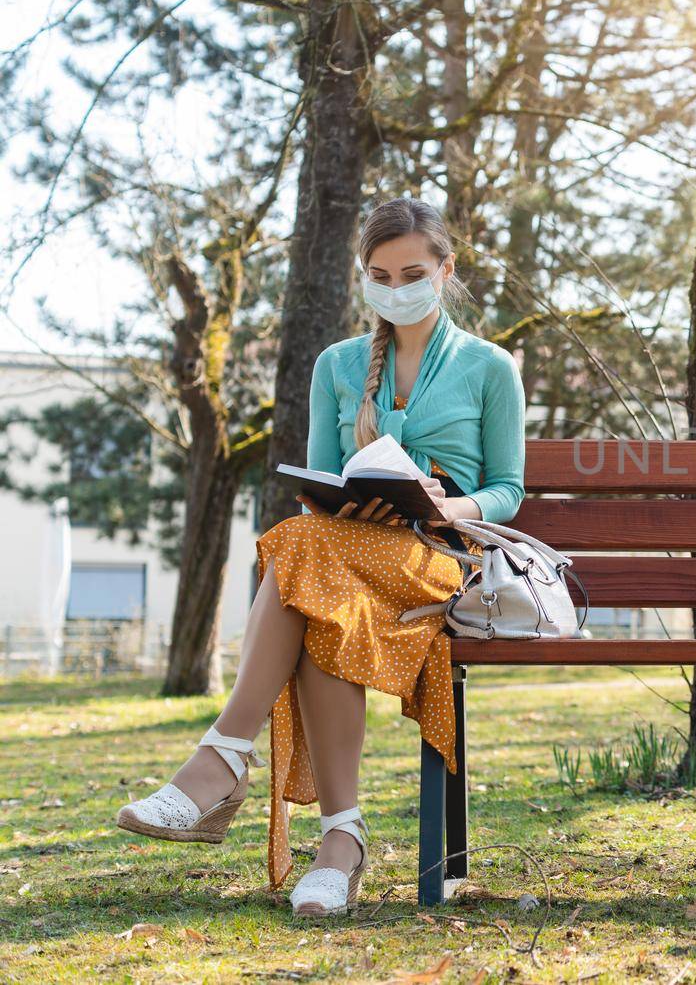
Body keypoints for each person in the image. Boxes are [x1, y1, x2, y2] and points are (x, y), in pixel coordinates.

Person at [116, 197, 528, 917]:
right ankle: (339, 841)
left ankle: (224, 763)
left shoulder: (489, 367)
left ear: (445, 269)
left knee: (301, 560)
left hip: (436, 558)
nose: (396, 285)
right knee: (313, 575)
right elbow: (319, 487)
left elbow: (509, 490)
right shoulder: (337, 364)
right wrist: (349, 502)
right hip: (345, 553)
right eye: (379, 272)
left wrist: (443, 502)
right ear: (361, 276)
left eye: (412, 271)